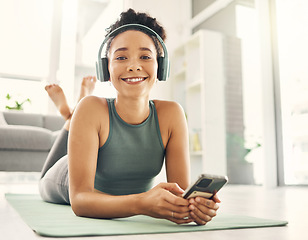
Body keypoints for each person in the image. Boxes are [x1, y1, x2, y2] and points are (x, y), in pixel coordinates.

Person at [39, 8, 220, 225]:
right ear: (106, 68)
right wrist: (142, 204)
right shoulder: (92, 109)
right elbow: (80, 201)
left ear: (160, 66)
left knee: (79, 114)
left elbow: (179, 192)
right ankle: (70, 115)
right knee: (76, 119)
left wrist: (194, 206)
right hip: (63, 177)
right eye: (121, 57)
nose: (134, 65)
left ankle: (70, 115)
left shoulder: (172, 114)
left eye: (145, 56)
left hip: (90, 139)